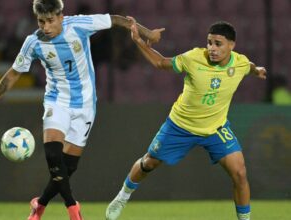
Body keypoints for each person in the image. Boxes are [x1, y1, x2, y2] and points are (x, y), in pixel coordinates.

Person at [0, 1, 161, 219]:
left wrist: (148, 34)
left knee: (67, 169)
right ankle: (73, 208)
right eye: (41, 21)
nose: (45, 27)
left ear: (61, 16)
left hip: (85, 105)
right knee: (53, 156)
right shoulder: (33, 42)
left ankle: (39, 205)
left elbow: (118, 19)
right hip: (57, 102)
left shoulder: (79, 25)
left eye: (50, 21)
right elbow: (13, 74)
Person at [105, 18, 267, 220]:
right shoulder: (193, 58)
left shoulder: (240, 63)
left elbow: (248, 65)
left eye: (218, 44)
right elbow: (160, 62)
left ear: (232, 45)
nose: (212, 48)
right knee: (148, 163)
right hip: (180, 126)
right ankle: (123, 196)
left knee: (240, 173)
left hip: (215, 128)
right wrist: (138, 40)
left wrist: (257, 70)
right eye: (209, 42)